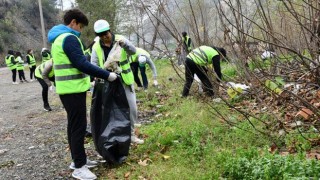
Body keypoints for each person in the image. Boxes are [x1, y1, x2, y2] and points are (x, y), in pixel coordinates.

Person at [48, 9, 118, 180]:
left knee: (73, 126)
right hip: (73, 90)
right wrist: (107, 75)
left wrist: (91, 80)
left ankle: (78, 160)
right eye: (80, 26)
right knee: (78, 127)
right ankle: (79, 167)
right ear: (73, 22)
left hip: (68, 89)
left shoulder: (58, 39)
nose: (80, 30)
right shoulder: (69, 38)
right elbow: (81, 63)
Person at [91, 19, 144, 144]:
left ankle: (131, 135)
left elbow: (133, 51)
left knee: (132, 108)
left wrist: (125, 44)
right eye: (102, 36)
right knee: (111, 110)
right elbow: (93, 65)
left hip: (125, 80)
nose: (105, 37)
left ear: (110, 31)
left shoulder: (121, 39)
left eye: (106, 34)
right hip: (108, 82)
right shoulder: (96, 47)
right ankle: (115, 136)